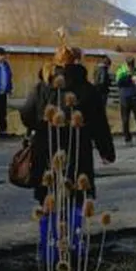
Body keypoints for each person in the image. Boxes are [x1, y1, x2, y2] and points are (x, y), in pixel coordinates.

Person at [20, 46, 116, 205]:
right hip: (77, 150)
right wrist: (106, 151)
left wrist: (40, 126)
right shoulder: (87, 89)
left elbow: (26, 113)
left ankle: (49, 227)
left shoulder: (43, 87)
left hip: (47, 148)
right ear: (76, 62)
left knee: (48, 196)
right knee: (77, 195)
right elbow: (99, 123)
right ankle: (74, 228)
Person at [116, 56, 136, 145]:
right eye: (130, 64)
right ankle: (128, 139)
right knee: (125, 120)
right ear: (126, 63)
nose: (131, 65)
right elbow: (119, 83)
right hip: (125, 98)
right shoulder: (121, 70)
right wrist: (129, 76)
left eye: (132, 63)